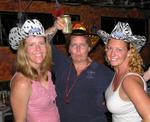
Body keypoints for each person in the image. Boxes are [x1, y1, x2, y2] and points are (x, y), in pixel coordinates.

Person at [46, 19, 114, 122]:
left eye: (82, 45)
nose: (78, 49)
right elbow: (42, 42)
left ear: (89, 48)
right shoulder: (61, 63)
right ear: (69, 49)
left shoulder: (104, 72)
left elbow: (125, 89)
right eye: (74, 45)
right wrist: (55, 27)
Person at [97, 21, 150, 122]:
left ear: (129, 52)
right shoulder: (118, 73)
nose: (112, 54)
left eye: (119, 49)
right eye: (110, 48)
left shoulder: (129, 80)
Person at [9, 19, 60, 122]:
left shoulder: (45, 72)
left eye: (41, 43)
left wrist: (55, 27)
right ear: (24, 50)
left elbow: (45, 39)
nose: (38, 49)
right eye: (31, 45)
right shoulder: (22, 83)